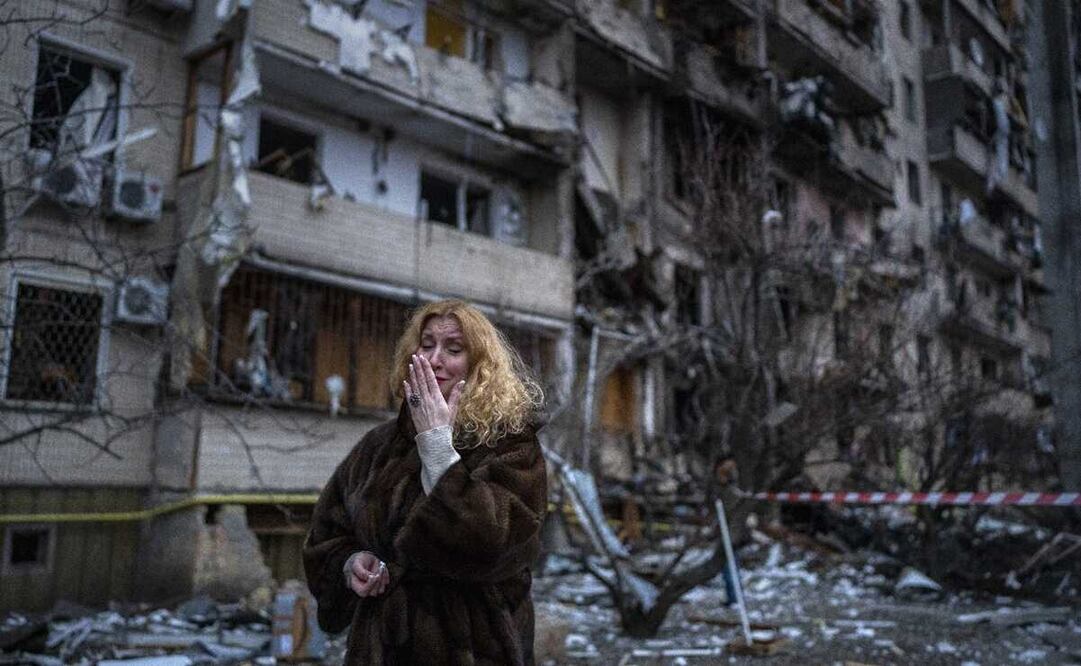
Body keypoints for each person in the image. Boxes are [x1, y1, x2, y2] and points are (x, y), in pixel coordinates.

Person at [303, 299, 547, 665]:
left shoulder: (510, 444)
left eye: (454, 349)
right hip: (381, 650)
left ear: (480, 364)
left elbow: (495, 543)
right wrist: (352, 562)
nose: (435, 359)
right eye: (427, 344)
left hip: (474, 649)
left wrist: (436, 446)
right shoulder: (380, 446)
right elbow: (326, 535)